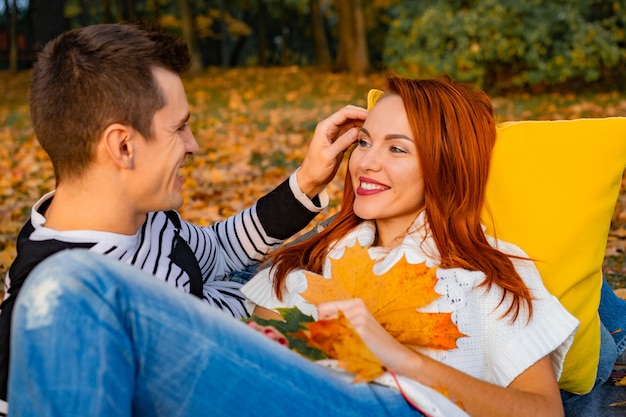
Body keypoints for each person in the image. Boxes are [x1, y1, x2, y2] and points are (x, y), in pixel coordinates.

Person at [8, 75, 580, 417]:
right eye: (363, 142)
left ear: (448, 166)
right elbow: (236, 316)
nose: (367, 162)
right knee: (64, 288)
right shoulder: (314, 258)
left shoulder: (484, 270)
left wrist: (402, 360)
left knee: (66, 283)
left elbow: (541, 410)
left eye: (397, 149)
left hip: (393, 407)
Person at [0, 22, 367, 408]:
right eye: (180, 127)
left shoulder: (144, 217)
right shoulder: (53, 317)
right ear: (123, 146)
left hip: (254, 303)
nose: (194, 146)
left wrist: (306, 182)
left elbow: (220, 252)